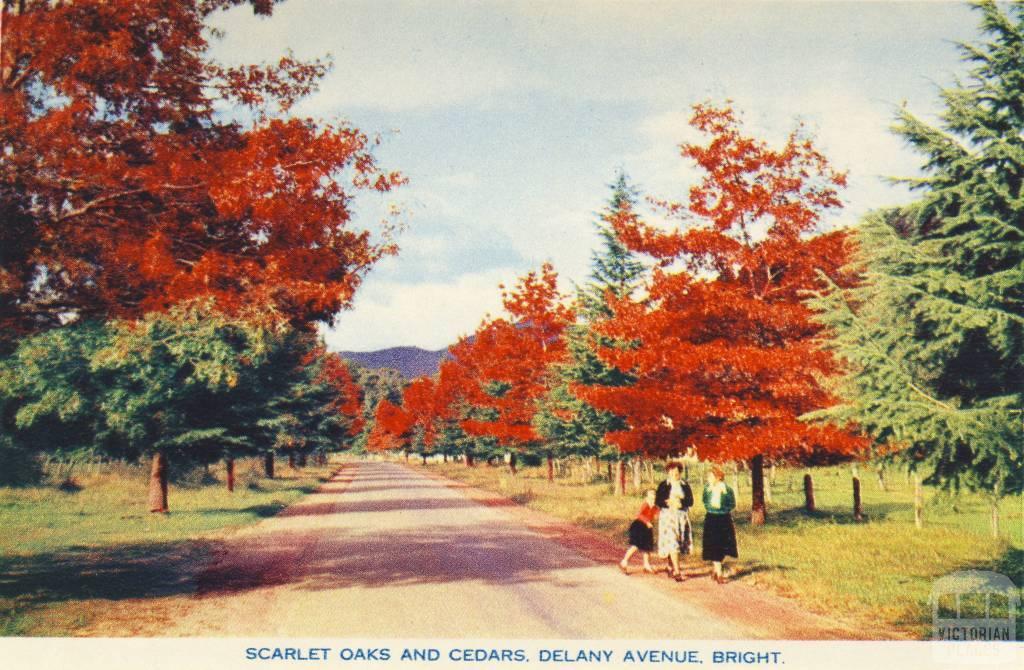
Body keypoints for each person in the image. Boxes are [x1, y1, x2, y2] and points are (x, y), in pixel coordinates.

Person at [655, 461, 694, 581]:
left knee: (678, 541)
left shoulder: (685, 485)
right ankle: (677, 571)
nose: (674, 473)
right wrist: (668, 502)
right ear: (668, 472)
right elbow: (658, 501)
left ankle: (670, 566)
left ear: (680, 472)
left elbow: (690, 501)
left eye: (677, 471)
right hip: (668, 517)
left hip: (681, 517)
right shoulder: (664, 485)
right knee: (672, 542)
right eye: (672, 471)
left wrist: (680, 502)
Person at [702, 465, 738, 584]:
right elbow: (705, 501)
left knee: (722, 545)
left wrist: (723, 509)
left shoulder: (726, 489)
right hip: (711, 518)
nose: (709, 478)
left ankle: (717, 570)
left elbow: (732, 504)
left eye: (711, 476)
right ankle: (718, 572)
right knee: (713, 545)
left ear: (718, 477)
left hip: (723, 519)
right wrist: (711, 508)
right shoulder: (707, 488)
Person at [619, 489, 659, 574]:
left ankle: (646, 565)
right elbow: (640, 515)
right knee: (636, 546)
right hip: (639, 526)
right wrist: (647, 522)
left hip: (647, 528)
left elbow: (658, 514)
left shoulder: (655, 507)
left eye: (654, 495)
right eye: (651, 496)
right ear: (647, 497)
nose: (653, 497)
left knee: (647, 547)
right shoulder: (645, 504)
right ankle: (624, 562)